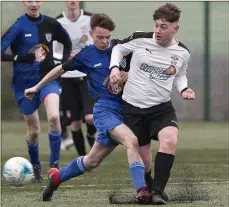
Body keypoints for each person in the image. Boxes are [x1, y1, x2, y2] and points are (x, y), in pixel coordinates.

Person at [24, 13, 151, 204]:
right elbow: (60, 69)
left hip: (129, 110)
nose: (105, 41)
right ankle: (143, 191)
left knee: (92, 161)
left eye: (108, 37)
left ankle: (56, 178)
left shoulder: (121, 49)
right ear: (91, 34)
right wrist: (37, 87)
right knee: (132, 141)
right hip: (106, 110)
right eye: (100, 37)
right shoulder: (87, 55)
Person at [109, 3, 196, 205]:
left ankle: (157, 192)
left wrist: (184, 89)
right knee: (145, 161)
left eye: (164, 26)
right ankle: (148, 189)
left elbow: (181, 76)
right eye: (156, 25)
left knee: (170, 139)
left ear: (176, 28)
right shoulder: (140, 39)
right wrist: (114, 68)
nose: (158, 30)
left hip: (161, 108)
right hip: (133, 109)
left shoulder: (182, 52)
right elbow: (118, 49)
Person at [1, 1, 72, 182]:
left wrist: (62, 65)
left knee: (54, 117)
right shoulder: (18, 26)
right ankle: (35, 168)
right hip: (24, 84)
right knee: (33, 130)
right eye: (29, 0)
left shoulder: (51, 24)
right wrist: (18, 57)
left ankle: (54, 166)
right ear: (24, 3)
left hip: (48, 80)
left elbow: (67, 42)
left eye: (37, 0)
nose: (34, 4)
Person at [53, 1, 97, 154]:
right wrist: (66, 56)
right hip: (68, 78)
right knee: (75, 124)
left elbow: (99, 43)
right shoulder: (57, 23)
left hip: (87, 76)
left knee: (91, 117)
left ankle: (91, 133)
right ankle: (83, 159)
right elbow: (55, 52)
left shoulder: (92, 19)